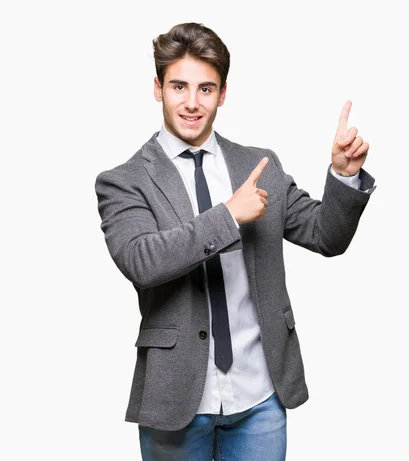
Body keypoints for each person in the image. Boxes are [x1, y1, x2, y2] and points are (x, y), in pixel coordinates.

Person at [95, 22, 376, 461]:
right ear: (157, 88)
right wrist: (228, 216)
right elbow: (141, 260)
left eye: (206, 89)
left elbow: (327, 236)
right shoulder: (125, 181)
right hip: (176, 398)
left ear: (222, 94)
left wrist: (343, 175)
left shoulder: (257, 165)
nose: (191, 103)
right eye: (179, 87)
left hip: (260, 396)